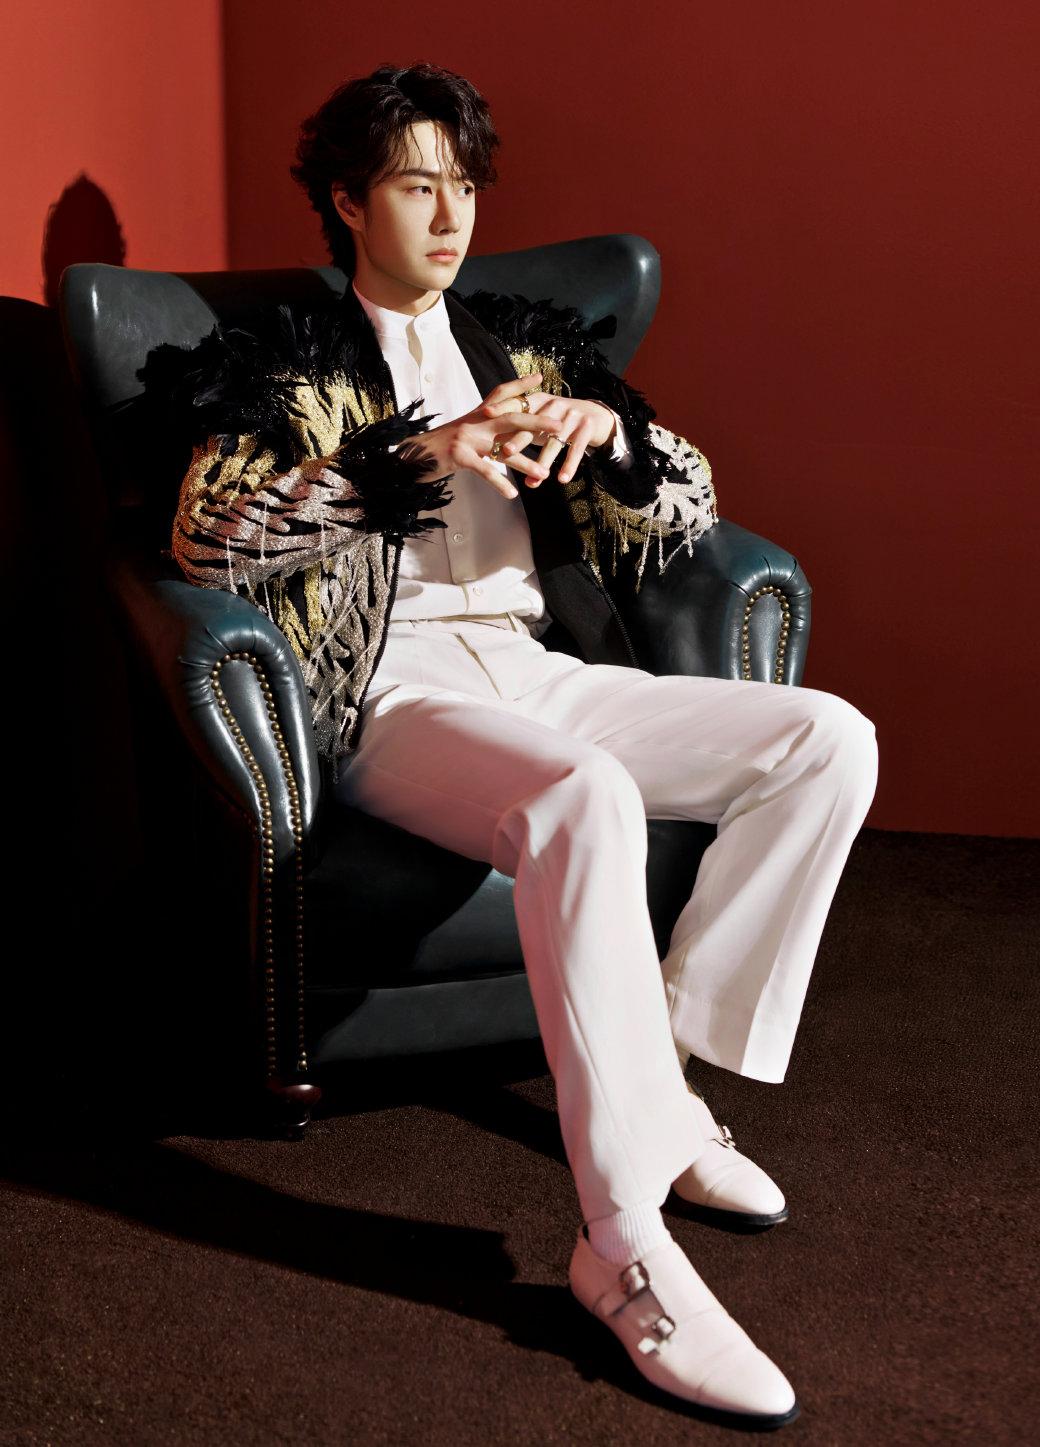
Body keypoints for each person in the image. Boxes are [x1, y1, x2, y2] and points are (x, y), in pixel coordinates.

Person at [164, 62, 878, 1429]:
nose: (450, 217)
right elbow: (211, 538)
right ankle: (621, 1246)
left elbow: (688, 500)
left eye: (465, 186)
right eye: (416, 186)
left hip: (542, 669)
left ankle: (663, 1095)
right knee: (584, 799)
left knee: (826, 743)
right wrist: (423, 458)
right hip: (393, 693)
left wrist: (608, 441)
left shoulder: (520, 348)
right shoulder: (288, 362)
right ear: (347, 200)